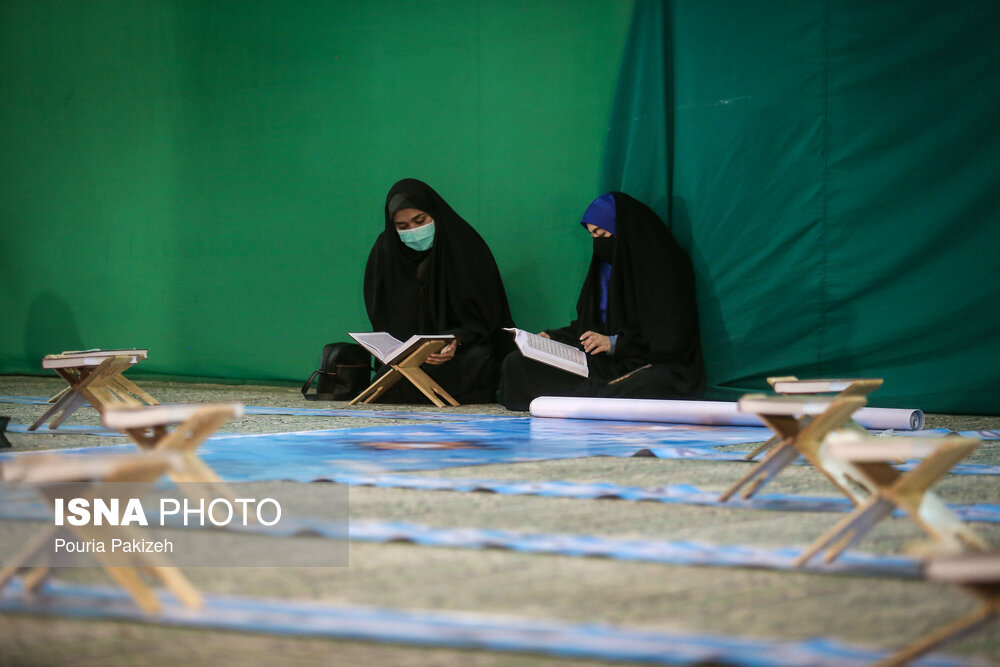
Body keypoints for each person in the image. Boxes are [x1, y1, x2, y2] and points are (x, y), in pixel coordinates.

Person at [498, 192, 705, 410]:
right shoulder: (604, 269)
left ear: (621, 229)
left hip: (650, 363)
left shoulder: (664, 267)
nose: (598, 244)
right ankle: (593, 396)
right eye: (593, 237)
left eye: (602, 234)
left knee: (652, 382)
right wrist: (553, 338)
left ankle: (590, 396)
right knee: (518, 363)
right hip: (606, 364)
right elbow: (588, 326)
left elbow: (670, 339)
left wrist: (614, 343)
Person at [363, 178, 514, 403]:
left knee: (480, 360)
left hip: (462, 350)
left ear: (434, 213)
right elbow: (381, 312)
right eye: (402, 227)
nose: (413, 231)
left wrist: (455, 340)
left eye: (420, 220)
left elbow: (488, 317)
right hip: (410, 356)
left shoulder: (465, 245)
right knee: (389, 379)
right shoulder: (387, 251)